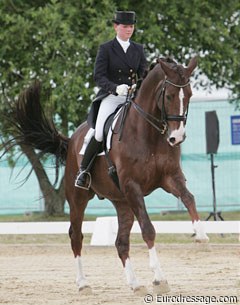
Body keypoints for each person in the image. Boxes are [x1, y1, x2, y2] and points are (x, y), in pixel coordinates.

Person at [75, 10, 147, 189]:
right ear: (116, 27)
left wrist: (137, 86)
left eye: (131, 26)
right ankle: (83, 171)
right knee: (99, 132)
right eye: (125, 26)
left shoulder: (138, 49)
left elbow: (143, 73)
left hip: (132, 98)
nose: (129, 30)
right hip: (112, 97)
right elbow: (98, 76)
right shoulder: (106, 48)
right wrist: (115, 88)